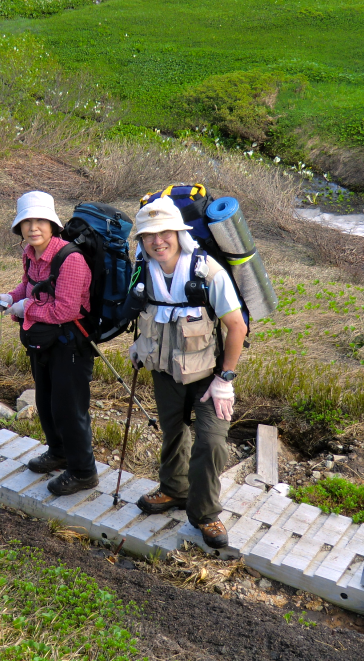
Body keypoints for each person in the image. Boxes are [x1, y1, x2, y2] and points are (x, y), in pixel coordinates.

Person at [128, 196, 248, 549]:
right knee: (172, 432)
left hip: (210, 378)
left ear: (180, 234)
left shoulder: (208, 272)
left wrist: (225, 379)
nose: (157, 241)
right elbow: (142, 315)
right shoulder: (141, 270)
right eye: (149, 235)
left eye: (165, 232)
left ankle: (206, 514)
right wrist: (139, 346)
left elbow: (236, 326)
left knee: (210, 444)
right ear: (141, 240)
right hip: (164, 371)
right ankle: (174, 490)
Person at [0, 190, 99, 496]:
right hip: (45, 342)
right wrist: (10, 298)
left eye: (40, 220)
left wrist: (26, 308)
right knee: (47, 401)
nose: (33, 227)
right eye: (27, 222)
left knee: (69, 407)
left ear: (53, 225)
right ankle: (59, 452)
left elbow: (65, 309)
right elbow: (30, 285)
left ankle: (83, 471)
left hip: (72, 343)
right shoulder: (31, 255)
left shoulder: (71, 259)